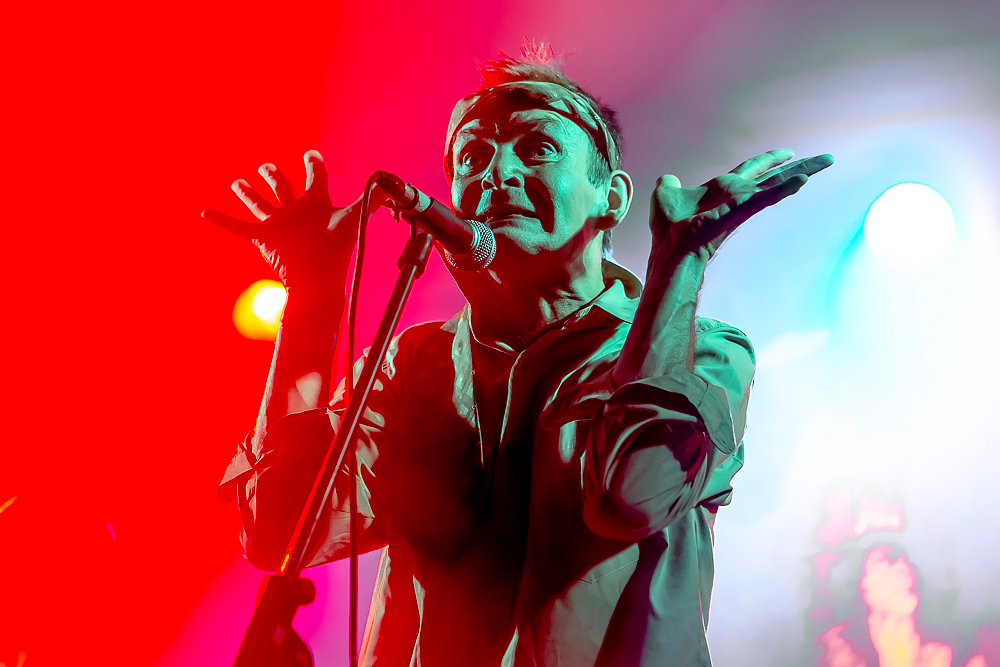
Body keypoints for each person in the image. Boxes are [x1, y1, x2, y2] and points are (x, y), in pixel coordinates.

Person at [206, 51, 832, 666]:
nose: (496, 173)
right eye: (472, 157)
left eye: (538, 148)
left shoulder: (707, 351)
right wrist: (313, 297)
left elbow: (634, 496)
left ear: (611, 198)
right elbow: (279, 532)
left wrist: (681, 260)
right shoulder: (411, 364)